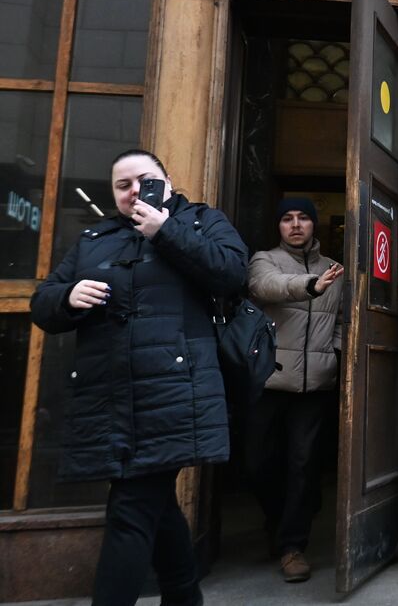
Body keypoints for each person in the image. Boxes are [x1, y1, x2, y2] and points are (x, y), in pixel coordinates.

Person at [30, 149, 247, 606]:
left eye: (143, 181)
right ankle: (184, 598)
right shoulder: (95, 236)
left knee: (130, 508)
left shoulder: (199, 221)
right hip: (108, 395)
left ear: (167, 181)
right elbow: (43, 301)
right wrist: (68, 296)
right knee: (154, 504)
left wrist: (165, 231)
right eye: (122, 186)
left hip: (173, 392)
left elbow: (231, 274)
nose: (132, 193)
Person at [246, 198, 346, 582]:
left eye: (303, 217)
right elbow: (265, 287)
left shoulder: (333, 270)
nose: (295, 224)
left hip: (314, 385)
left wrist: (334, 353)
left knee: (303, 465)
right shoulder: (264, 260)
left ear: (314, 224)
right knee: (257, 463)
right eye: (287, 218)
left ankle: (292, 546)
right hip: (270, 380)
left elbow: (341, 320)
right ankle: (276, 518)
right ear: (279, 226)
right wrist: (309, 286)